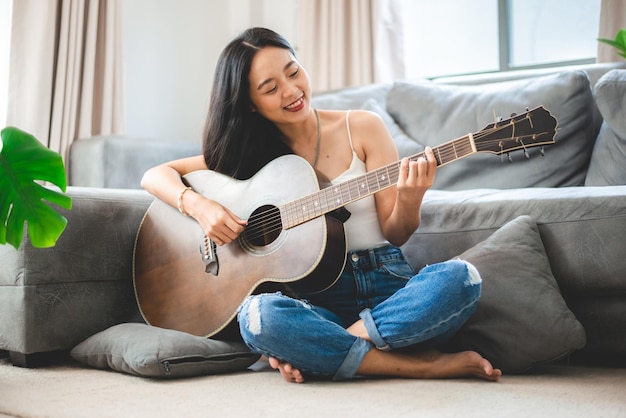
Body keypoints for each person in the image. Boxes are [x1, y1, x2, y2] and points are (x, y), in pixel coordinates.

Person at [141, 27, 502, 383]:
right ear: (250, 104)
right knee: (258, 316)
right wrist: (200, 207)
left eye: (293, 71)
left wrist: (410, 195)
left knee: (462, 279)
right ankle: (420, 365)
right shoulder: (248, 155)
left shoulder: (361, 126)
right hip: (318, 299)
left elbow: (397, 233)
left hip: (390, 286)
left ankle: (339, 349)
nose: (292, 90)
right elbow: (154, 176)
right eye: (271, 88)